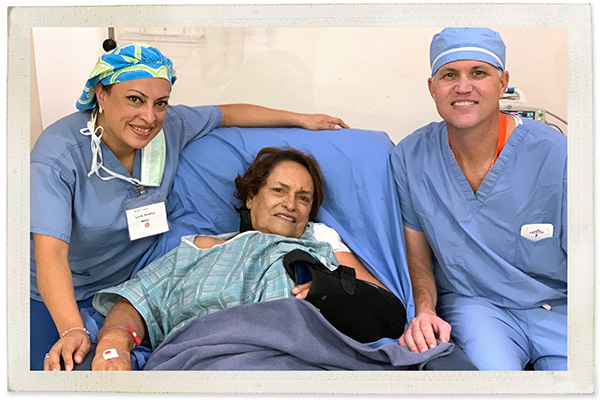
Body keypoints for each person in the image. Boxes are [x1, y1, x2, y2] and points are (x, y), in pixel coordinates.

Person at [31, 42, 350, 371]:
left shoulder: (170, 128)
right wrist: (73, 328)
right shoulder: (57, 156)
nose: (149, 117)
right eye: (134, 99)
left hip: (135, 272)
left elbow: (226, 113)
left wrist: (301, 119)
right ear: (101, 93)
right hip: (68, 286)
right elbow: (51, 253)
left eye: (161, 103)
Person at [42, 146, 401, 371]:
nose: (291, 204)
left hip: (296, 363)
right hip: (198, 363)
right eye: (279, 190)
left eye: (303, 198)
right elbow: (136, 301)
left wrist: (329, 290)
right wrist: (113, 343)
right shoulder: (198, 248)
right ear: (250, 197)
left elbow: (385, 307)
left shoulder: (319, 243)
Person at [391, 28, 567, 370]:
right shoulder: (411, 157)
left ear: (502, 83)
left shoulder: (557, 154)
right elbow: (418, 257)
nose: (463, 87)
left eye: (479, 73)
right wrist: (424, 312)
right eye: (449, 75)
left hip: (559, 307)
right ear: (432, 88)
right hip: (478, 309)